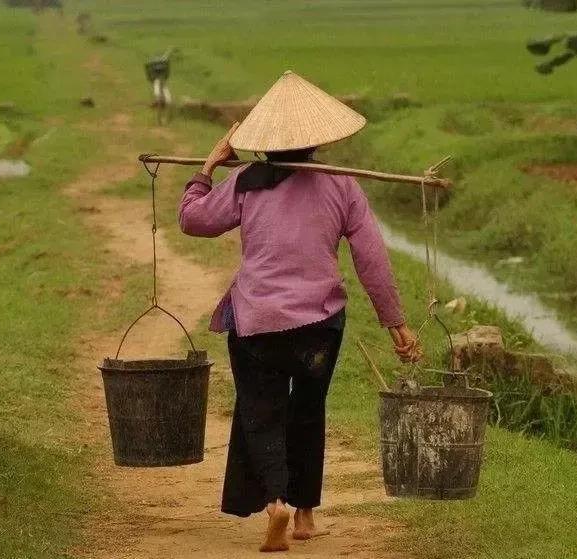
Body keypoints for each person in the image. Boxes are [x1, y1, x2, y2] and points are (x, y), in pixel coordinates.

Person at [178, 70, 422, 553]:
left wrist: (206, 168)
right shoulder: (342, 185)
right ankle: (306, 515)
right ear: (315, 141)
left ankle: (276, 505)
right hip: (319, 325)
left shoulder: (246, 181)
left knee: (261, 410)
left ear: (263, 142)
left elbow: (193, 220)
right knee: (309, 410)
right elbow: (371, 257)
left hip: (257, 324)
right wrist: (395, 321)